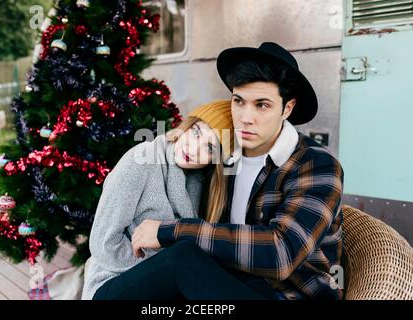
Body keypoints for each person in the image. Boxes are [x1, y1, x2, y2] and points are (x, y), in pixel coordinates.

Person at [129, 42, 345, 300]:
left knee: (180, 258)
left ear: (286, 108)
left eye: (262, 105)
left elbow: (281, 254)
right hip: (232, 282)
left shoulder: (316, 165)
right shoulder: (225, 157)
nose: (245, 117)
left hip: (289, 295)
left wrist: (170, 230)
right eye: (239, 101)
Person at [81, 100, 235, 300]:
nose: (194, 148)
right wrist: (156, 270)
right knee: (183, 256)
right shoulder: (142, 159)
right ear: (185, 127)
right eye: (196, 132)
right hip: (112, 282)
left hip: (162, 287)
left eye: (210, 148)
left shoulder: (198, 183)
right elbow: (103, 243)